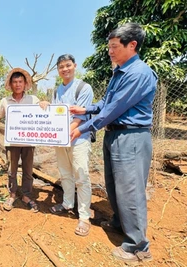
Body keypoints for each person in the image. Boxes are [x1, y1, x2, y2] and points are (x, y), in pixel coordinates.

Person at [69, 22, 157, 263]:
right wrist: (85, 108)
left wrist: (83, 127)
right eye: (109, 46)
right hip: (115, 135)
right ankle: (120, 224)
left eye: (114, 46)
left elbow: (113, 110)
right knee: (114, 184)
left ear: (132, 45)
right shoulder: (120, 71)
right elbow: (106, 102)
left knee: (130, 189)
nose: (110, 51)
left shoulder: (139, 73)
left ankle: (138, 246)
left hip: (131, 137)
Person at [39, 54, 94, 236]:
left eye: (68, 65)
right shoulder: (57, 91)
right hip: (61, 139)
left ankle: (84, 216)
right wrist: (45, 104)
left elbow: (80, 117)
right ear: (58, 70)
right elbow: (54, 114)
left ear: (74, 66)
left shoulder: (83, 88)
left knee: (81, 175)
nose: (65, 69)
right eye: (61, 67)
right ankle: (67, 203)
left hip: (78, 138)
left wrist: (65, 133)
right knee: (65, 173)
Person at [0, 68, 40, 212]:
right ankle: (12, 194)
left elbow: (43, 113)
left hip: (29, 142)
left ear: (25, 84)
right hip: (12, 142)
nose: (17, 84)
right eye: (15, 82)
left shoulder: (33, 100)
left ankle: (27, 196)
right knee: (12, 170)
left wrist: (46, 104)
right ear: (10, 84)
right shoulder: (5, 101)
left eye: (20, 82)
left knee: (28, 171)